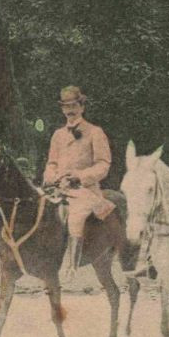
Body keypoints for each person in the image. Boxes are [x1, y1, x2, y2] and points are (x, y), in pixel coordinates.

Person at [42, 86, 117, 272]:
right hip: (59, 187)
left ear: (82, 107)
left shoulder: (95, 132)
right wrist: (53, 177)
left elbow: (103, 165)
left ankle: (72, 266)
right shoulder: (58, 135)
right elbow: (51, 163)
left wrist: (79, 176)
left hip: (84, 189)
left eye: (74, 106)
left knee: (76, 214)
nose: (70, 111)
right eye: (66, 107)